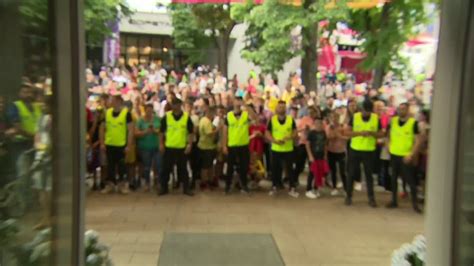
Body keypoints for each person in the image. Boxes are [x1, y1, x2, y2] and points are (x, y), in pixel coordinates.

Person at [345, 100, 383, 207]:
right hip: (355, 150)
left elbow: (381, 134)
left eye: (366, 111)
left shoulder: (376, 118)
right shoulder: (355, 117)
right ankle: (348, 196)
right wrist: (359, 133)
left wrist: (372, 133)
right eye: (362, 110)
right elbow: (347, 132)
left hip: (369, 151)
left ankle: (371, 198)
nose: (364, 113)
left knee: (369, 175)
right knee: (351, 174)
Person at [386, 103, 422, 213]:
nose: (401, 111)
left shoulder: (413, 123)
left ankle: (415, 204)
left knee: (411, 181)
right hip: (394, 155)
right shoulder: (392, 121)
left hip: (406, 156)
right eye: (399, 109)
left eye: (403, 109)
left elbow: (418, 141)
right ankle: (394, 201)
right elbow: (387, 135)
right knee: (393, 179)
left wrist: (411, 154)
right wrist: (388, 147)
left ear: (407, 110)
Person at [159, 98, 194, 196]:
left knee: (183, 169)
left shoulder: (186, 117)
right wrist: (161, 144)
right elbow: (161, 132)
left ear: (180, 105)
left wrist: (189, 144)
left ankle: (186, 189)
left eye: (177, 104)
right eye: (174, 104)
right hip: (169, 147)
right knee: (165, 169)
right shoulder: (167, 116)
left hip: (181, 147)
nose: (176, 106)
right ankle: (164, 188)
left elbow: (191, 133)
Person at [100, 95, 134, 194]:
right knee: (110, 166)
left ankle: (122, 185)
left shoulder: (126, 114)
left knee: (122, 166)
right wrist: (102, 143)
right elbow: (102, 129)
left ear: (118, 101)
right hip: (110, 144)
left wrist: (129, 145)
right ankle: (110, 185)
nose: (110, 102)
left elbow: (131, 130)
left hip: (121, 145)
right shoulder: (107, 113)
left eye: (112, 100)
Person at [222, 97, 256, 194]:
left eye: (239, 101)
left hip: (243, 145)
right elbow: (225, 131)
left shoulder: (245, 114)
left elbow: (254, 118)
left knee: (244, 167)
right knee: (230, 167)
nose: (238, 103)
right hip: (232, 145)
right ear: (233, 102)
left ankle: (244, 185)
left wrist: (245, 105)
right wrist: (224, 145)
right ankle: (228, 186)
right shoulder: (228, 116)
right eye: (236, 100)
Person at [266, 101, 299, 198]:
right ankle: (274, 186)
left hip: (288, 149)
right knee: (275, 169)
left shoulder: (290, 120)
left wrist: (290, 137)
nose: (282, 109)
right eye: (280, 107)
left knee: (290, 169)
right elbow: (267, 132)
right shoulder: (272, 120)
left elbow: (295, 132)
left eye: (283, 107)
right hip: (276, 148)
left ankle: (292, 187)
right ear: (277, 108)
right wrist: (273, 140)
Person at [135, 104, 161, 192]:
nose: (149, 112)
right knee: (146, 166)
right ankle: (147, 182)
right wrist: (145, 132)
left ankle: (157, 182)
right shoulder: (140, 121)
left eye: (151, 110)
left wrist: (154, 131)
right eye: (147, 110)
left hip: (156, 146)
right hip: (145, 147)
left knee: (157, 165)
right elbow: (136, 133)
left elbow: (162, 132)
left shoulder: (157, 119)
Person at [305, 118, 328, 199]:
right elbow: (307, 144)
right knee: (312, 173)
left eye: (320, 123)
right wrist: (310, 156)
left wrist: (325, 155)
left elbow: (325, 144)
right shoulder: (311, 133)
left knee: (319, 173)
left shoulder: (323, 132)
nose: (319, 125)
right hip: (313, 156)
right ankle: (308, 190)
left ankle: (315, 188)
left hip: (321, 156)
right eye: (317, 123)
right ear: (314, 124)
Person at [326, 111, 348, 196]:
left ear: (339, 118)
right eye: (333, 117)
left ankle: (346, 189)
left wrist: (339, 136)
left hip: (341, 151)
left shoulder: (343, 127)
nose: (334, 119)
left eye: (336, 117)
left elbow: (347, 137)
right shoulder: (328, 127)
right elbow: (327, 138)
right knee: (333, 170)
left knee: (343, 171)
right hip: (331, 151)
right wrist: (333, 135)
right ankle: (334, 187)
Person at [198, 106, 218, 190]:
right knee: (206, 166)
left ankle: (210, 180)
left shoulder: (204, 120)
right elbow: (209, 134)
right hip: (206, 147)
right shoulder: (206, 122)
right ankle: (204, 182)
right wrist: (217, 129)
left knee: (209, 165)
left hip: (208, 146)